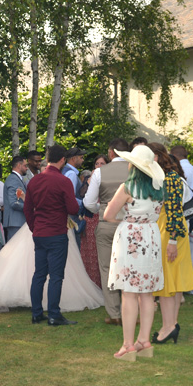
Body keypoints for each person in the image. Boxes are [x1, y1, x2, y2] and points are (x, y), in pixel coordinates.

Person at [104, 145, 165, 361]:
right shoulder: (159, 187)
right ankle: (144, 341)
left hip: (131, 238)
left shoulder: (128, 187)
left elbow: (108, 214)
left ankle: (128, 345)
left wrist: (126, 220)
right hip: (151, 236)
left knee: (129, 293)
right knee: (147, 293)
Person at [23, 144, 80, 326]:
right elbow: (72, 208)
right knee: (56, 275)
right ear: (63, 160)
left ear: (47, 159)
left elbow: (27, 209)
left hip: (40, 232)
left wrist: (34, 227)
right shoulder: (63, 182)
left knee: (39, 274)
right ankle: (54, 314)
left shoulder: (35, 181)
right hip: (56, 232)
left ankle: (36, 312)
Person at [149, 143, 193, 344]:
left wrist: (172, 240)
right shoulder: (167, 178)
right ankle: (171, 324)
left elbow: (176, 212)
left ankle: (168, 326)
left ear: (157, 157)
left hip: (170, 233)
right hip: (170, 232)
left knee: (168, 282)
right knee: (173, 282)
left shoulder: (169, 180)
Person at [84, 138, 130, 324]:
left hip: (106, 223)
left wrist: (101, 210)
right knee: (129, 268)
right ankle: (131, 310)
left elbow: (88, 203)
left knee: (107, 268)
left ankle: (114, 313)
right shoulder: (136, 171)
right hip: (130, 224)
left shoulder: (99, 173)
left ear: (111, 153)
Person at [79, 155, 107, 288]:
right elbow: (81, 194)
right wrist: (90, 181)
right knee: (88, 251)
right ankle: (91, 284)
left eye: (102, 163)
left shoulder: (109, 179)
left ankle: (103, 284)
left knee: (100, 252)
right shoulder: (89, 178)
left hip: (103, 217)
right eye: (97, 164)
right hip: (90, 218)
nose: (99, 166)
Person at [1, 155, 28, 243]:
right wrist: (29, 208)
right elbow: (13, 203)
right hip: (15, 221)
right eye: (25, 166)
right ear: (19, 165)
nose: (27, 168)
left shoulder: (17, 179)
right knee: (14, 251)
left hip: (17, 221)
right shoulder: (13, 179)